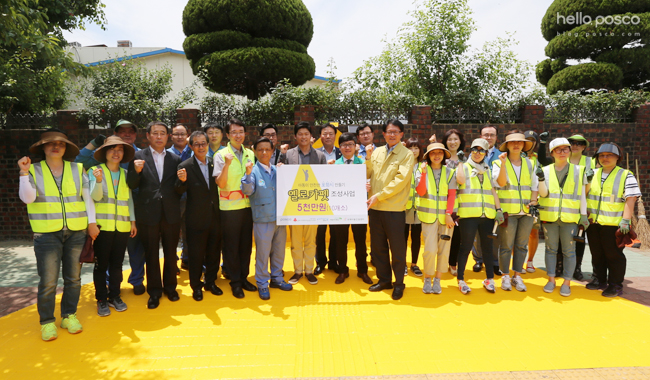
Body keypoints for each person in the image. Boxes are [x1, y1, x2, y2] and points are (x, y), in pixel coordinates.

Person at [18, 129, 99, 341]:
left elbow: (87, 198)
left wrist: (91, 223)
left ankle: (69, 316)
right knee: (48, 281)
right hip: (46, 234)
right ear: (43, 147)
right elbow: (27, 198)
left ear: (66, 148)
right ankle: (46, 322)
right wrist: (23, 174)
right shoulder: (33, 169)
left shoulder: (77, 168)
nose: (56, 147)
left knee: (73, 279)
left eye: (61, 144)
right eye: (51, 144)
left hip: (76, 231)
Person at [75, 119, 146, 296]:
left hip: (132, 212)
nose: (127, 134)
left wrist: (133, 219)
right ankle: (107, 289)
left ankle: (135, 281)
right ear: (115, 134)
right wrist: (94, 144)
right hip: (105, 219)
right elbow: (81, 161)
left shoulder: (141, 154)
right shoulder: (100, 165)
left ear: (136, 135)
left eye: (131, 131)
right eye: (122, 131)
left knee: (134, 250)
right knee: (107, 258)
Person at [127, 121, 183, 309]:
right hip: (148, 214)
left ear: (168, 137)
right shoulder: (137, 157)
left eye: (163, 133)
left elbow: (179, 188)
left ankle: (170, 288)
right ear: (148, 136)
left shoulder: (175, 159)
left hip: (171, 214)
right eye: (155, 133)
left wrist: (183, 181)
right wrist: (136, 171)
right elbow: (132, 184)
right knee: (151, 254)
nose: (159, 137)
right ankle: (154, 291)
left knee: (170, 252)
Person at [365, 119, 415, 300]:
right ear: (384, 134)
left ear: (402, 134)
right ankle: (384, 279)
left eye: (395, 132)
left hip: (393, 208)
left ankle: (399, 283)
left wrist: (379, 195)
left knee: (397, 248)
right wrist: (368, 160)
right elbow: (368, 174)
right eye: (388, 131)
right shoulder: (376, 151)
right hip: (375, 207)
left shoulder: (407, 154)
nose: (392, 135)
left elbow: (400, 182)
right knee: (378, 247)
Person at [89, 136, 137, 316]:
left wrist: (132, 221)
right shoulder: (95, 171)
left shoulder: (125, 174)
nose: (116, 153)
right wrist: (99, 181)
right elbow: (95, 197)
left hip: (122, 227)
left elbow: (129, 199)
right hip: (103, 227)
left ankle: (114, 296)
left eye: (120, 150)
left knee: (117, 265)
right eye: (112, 149)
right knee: (101, 265)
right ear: (105, 152)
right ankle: (101, 299)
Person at [241, 137, 293, 299]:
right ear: (255, 152)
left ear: (272, 151)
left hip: (280, 218)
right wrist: (248, 175)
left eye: (267, 149)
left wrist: (286, 171)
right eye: (260, 150)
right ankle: (262, 283)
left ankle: (277, 278)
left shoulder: (278, 170)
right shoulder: (252, 171)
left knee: (278, 252)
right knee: (262, 254)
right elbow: (247, 191)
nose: (264, 152)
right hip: (263, 219)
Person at [537, 138, 589, 297]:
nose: (562, 152)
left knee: (569, 251)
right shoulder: (545, 170)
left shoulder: (580, 170)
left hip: (570, 217)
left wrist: (584, 215)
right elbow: (543, 194)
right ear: (552, 153)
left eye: (565, 149)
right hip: (550, 217)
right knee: (550, 249)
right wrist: (540, 179)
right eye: (558, 150)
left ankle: (567, 282)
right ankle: (551, 279)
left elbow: (582, 195)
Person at [586, 143, 640, 297]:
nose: (605, 158)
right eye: (601, 155)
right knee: (596, 253)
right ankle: (599, 280)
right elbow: (585, 195)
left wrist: (626, 220)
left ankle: (615, 285)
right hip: (593, 222)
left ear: (618, 157)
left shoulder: (625, 175)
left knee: (613, 255)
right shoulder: (593, 173)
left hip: (613, 223)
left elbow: (631, 198)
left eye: (609, 155)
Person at [175, 131, 223, 301]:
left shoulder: (213, 163)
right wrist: (181, 181)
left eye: (204, 143)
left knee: (213, 252)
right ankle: (196, 286)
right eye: (197, 144)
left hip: (215, 217)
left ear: (208, 145)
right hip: (195, 218)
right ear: (191, 146)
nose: (201, 147)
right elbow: (178, 191)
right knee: (195, 255)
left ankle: (210, 282)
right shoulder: (185, 166)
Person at [213, 118, 257, 298]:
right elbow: (220, 183)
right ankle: (235, 282)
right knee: (231, 247)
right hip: (229, 209)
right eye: (234, 132)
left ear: (245, 134)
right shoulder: (220, 155)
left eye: (241, 131)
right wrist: (227, 165)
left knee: (246, 246)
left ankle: (244, 278)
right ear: (228, 135)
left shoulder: (250, 154)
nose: (238, 135)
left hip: (247, 207)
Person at [279, 122, 327, 285]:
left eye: (306, 133)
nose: (303, 136)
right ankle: (298, 271)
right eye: (300, 134)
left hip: (313, 204)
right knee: (296, 240)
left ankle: (309, 270)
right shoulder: (288, 154)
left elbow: (324, 180)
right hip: (294, 203)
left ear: (311, 137)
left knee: (311, 240)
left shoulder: (320, 156)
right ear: (295, 136)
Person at [454, 138, 503, 294]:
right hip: (468, 215)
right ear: (470, 151)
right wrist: (460, 163)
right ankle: (461, 280)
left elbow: (492, 190)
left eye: (481, 150)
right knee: (465, 247)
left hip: (487, 215)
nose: (477, 153)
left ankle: (489, 279)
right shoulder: (464, 166)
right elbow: (460, 180)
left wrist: (499, 209)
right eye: (474, 149)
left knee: (487, 249)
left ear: (486, 153)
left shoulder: (487, 169)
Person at [493, 131, 538, 292]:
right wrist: (504, 164)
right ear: (507, 146)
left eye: (520, 142)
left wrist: (533, 202)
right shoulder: (498, 163)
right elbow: (501, 182)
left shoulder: (530, 163)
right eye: (513, 143)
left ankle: (517, 275)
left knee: (521, 245)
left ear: (524, 145)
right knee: (506, 245)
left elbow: (534, 186)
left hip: (526, 211)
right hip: (507, 211)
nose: (516, 145)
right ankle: (505, 275)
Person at [328, 133, 373, 285]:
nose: (347, 147)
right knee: (341, 241)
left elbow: (372, 182)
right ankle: (342, 270)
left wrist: (368, 187)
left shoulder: (363, 164)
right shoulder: (334, 166)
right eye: (344, 145)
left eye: (350, 144)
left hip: (359, 209)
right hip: (340, 209)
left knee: (360, 241)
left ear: (356, 147)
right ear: (339, 148)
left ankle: (362, 270)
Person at [415, 143, 456, 294]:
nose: (437, 155)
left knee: (444, 250)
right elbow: (420, 191)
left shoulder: (450, 172)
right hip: (428, 217)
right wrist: (424, 174)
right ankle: (427, 278)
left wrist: (448, 214)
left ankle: (437, 280)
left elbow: (452, 195)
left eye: (440, 153)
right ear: (428, 156)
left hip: (446, 219)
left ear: (444, 155)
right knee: (430, 250)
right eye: (433, 153)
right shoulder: (421, 169)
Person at [472, 124, 503, 275]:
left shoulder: (502, 155)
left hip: (496, 198)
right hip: (478, 199)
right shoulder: (473, 155)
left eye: (492, 135)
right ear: (480, 137)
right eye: (486, 135)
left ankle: (494, 262)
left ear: (496, 138)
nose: (488, 138)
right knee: (478, 233)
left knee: (494, 233)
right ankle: (478, 260)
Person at [566, 133, 595, 281]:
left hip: (583, 205)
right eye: (572, 142)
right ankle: (562, 266)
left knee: (580, 237)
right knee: (562, 237)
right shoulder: (562, 159)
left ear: (584, 147)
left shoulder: (591, 162)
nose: (575, 145)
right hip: (564, 205)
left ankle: (577, 267)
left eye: (579, 143)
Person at [315, 123, 342, 275]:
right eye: (325, 134)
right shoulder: (314, 153)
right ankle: (320, 262)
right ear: (320, 136)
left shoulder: (342, 152)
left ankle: (333, 261)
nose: (328, 136)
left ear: (335, 136)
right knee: (319, 231)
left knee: (335, 231)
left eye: (331, 133)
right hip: (319, 197)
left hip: (337, 197)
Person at [441, 129, 466, 276]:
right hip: (443, 201)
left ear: (460, 141)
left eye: (455, 139)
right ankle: (441, 262)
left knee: (457, 235)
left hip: (460, 202)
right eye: (449, 139)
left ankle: (452, 263)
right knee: (442, 234)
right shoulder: (441, 158)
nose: (452, 142)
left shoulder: (465, 160)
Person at [404, 137, 424, 277]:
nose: (413, 151)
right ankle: (403, 264)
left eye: (416, 148)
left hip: (419, 207)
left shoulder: (424, 165)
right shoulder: (402, 165)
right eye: (410, 148)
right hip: (403, 207)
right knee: (402, 237)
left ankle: (414, 264)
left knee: (416, 237)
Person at [523, 130, 540, 273]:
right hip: (517, 200)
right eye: (527, 139)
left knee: (533, 232)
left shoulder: (539, 159)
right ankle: (517, 261)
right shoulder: (514, 157)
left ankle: (530, 261)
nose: (530, 142)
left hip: (534, 199)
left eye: (532, 140)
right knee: (516, 233)